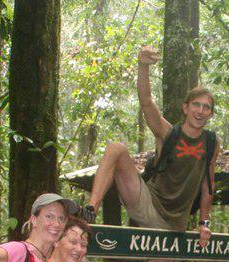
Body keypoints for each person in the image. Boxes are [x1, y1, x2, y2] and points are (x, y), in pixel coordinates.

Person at [82, 45, 220, 245]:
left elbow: (208, 184)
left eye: (206, 107)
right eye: (196, 105)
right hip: (147, 204)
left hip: (174, 225)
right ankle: (90, 211)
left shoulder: (211, 142)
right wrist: (143, 66)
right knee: (116, 149)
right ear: (186, 108)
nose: (200, 111)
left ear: (210, 113)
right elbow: (146, 102)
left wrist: (205, 222)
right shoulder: (169, 133)